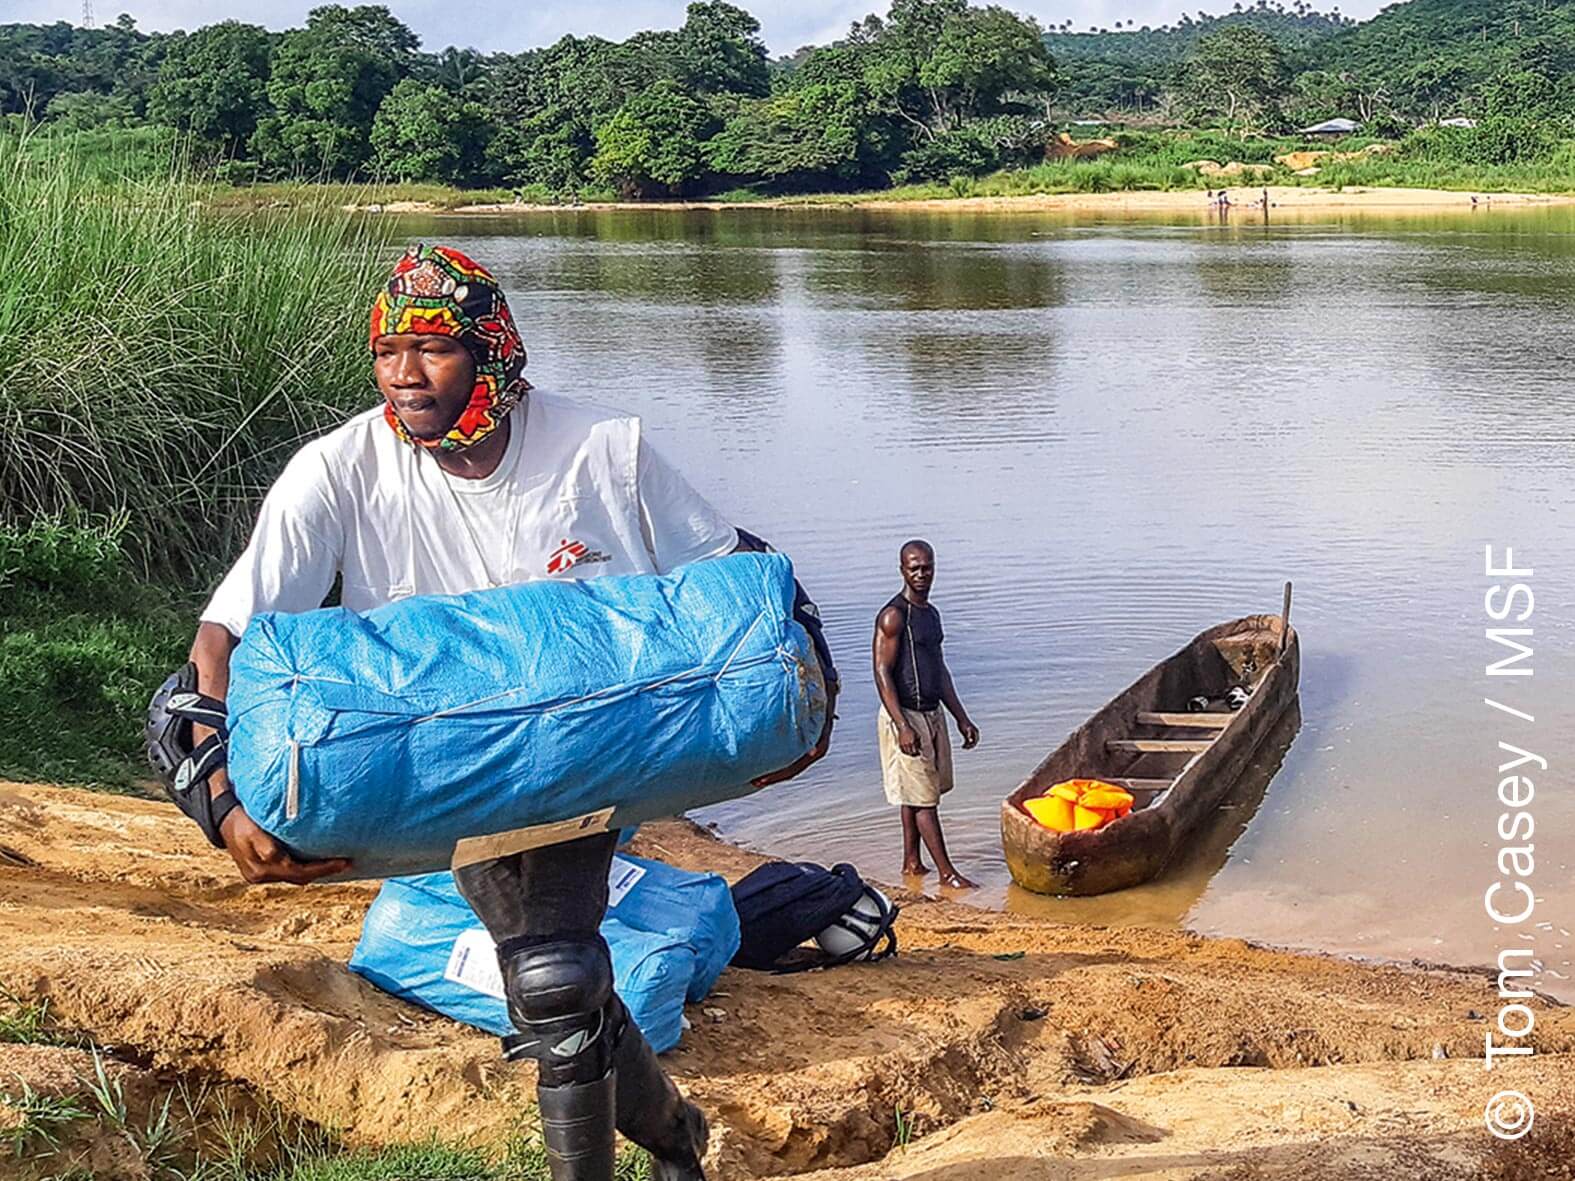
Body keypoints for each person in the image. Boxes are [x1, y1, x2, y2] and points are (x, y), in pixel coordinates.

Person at [176, 244, 837, 1181]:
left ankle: (655, 1150)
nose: (405, 374)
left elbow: (738, 577)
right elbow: (222, 640)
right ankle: (677, 1140)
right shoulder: (337, 471)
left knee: (552, 977)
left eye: (434, 348)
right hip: (444, 763)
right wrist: (219, 800)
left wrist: (792, 704)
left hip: (585, 753)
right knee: (560, 985)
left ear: (492, 349)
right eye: (387, 351)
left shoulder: (604, 449)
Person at [871, 540, 978, 889]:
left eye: (926, 567)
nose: (921, 574)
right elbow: (882, 671)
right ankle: (947, 874)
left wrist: (961, 716)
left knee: (915, 791)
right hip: (903, 715)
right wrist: (901, 724)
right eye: (913, 568)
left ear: (934, 567)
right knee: (923, 798)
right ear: (902, 569)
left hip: (931, 713)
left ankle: (912, 863)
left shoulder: (930, 615)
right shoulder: (893, 615)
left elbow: (939, 669)